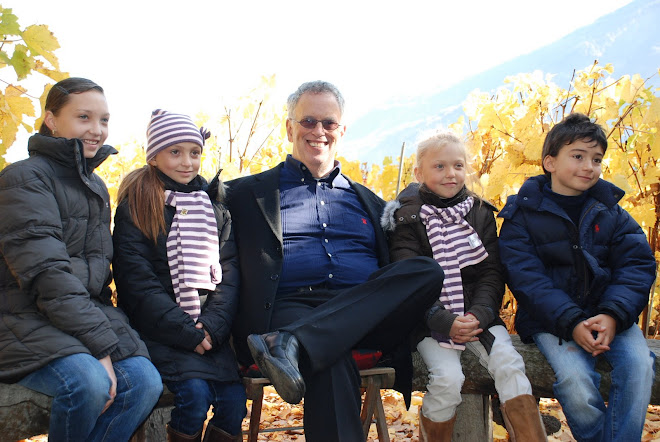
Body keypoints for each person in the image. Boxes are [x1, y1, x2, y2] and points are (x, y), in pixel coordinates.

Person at [224, 80, 444, 441]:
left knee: (426, 270)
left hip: (366, 312)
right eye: (308, 121)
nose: (318, 131)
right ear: (290, 128)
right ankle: (300, 339)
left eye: (328, 123)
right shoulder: (246, 195)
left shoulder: (368, 201)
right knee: (328, 352)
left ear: (341, 130)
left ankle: (291, 342)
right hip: (290, 307)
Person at [0, 77, 163, 442]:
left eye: (103, 120)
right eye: (84, 117)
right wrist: (102, 349)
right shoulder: (23, 179)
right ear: (52, 120)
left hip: (76, 321)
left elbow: (96, 283)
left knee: (145, 381)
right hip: (22, 321)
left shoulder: (95, 187)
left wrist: (108, 338)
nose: (97, 130)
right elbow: (48, 276)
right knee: (88, 382)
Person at [498, 113, 656, 442]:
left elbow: (636, 265)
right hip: (552, 320)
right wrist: (571, 321)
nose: (589, 166)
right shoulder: (522, 216)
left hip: (610, 315)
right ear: (550, 162)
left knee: (639, 367)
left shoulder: (610, 211)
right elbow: (527, 279)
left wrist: (613, 314)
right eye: (578, 156)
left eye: (596, 159)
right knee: (574, 380)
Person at [381, 131, 546, 441]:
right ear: (419, 173)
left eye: (457, 165)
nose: (450, 174)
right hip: (428, 320)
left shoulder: (479, 213)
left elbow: (490, 272)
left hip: (477, 312)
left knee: (510, 365)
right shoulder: (408, 219)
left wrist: (481, 313)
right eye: (439, 166)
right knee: (447, 378)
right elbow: (408, 281)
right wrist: (444, 320)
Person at [113, 110, 247, 442]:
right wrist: (185, 331)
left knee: (233, 403)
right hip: (163, 332)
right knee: (194, 397)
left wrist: (212, 327)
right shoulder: (138, 206)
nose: (187, 162)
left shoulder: (214, 209)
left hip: (209, 332)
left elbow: (227, 275)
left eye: (195, 152)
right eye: (175, 152)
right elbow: (137, 281)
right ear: (154, 157)